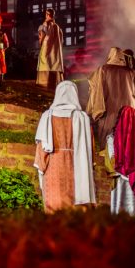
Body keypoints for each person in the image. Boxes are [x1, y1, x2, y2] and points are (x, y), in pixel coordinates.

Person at [34, 81, 96, 213]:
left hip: (54, 167)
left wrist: (41, 166)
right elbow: (90, 149)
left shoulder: (47, 116)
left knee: (54, 207)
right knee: (76, 211)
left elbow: (41, 148)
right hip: (79, 168)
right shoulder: (83, 118)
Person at [86, 47, 135, 150]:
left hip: (109, 111)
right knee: (127, 139)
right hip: (128, 111)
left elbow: (96, 89)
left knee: (108, 140)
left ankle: (110, 156)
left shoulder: (103, 69)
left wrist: (96, 110)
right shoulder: (131, 72)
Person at [36, 8, 64, 90]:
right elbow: (61, 41)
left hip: (46, 48)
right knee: (54, 62)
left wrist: (41, 41)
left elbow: (42, 35)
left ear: (48, 14)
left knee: (45, 62)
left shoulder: (46, 24)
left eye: (46, 14)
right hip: (55, 52)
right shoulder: (57, 27)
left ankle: (44, 84)